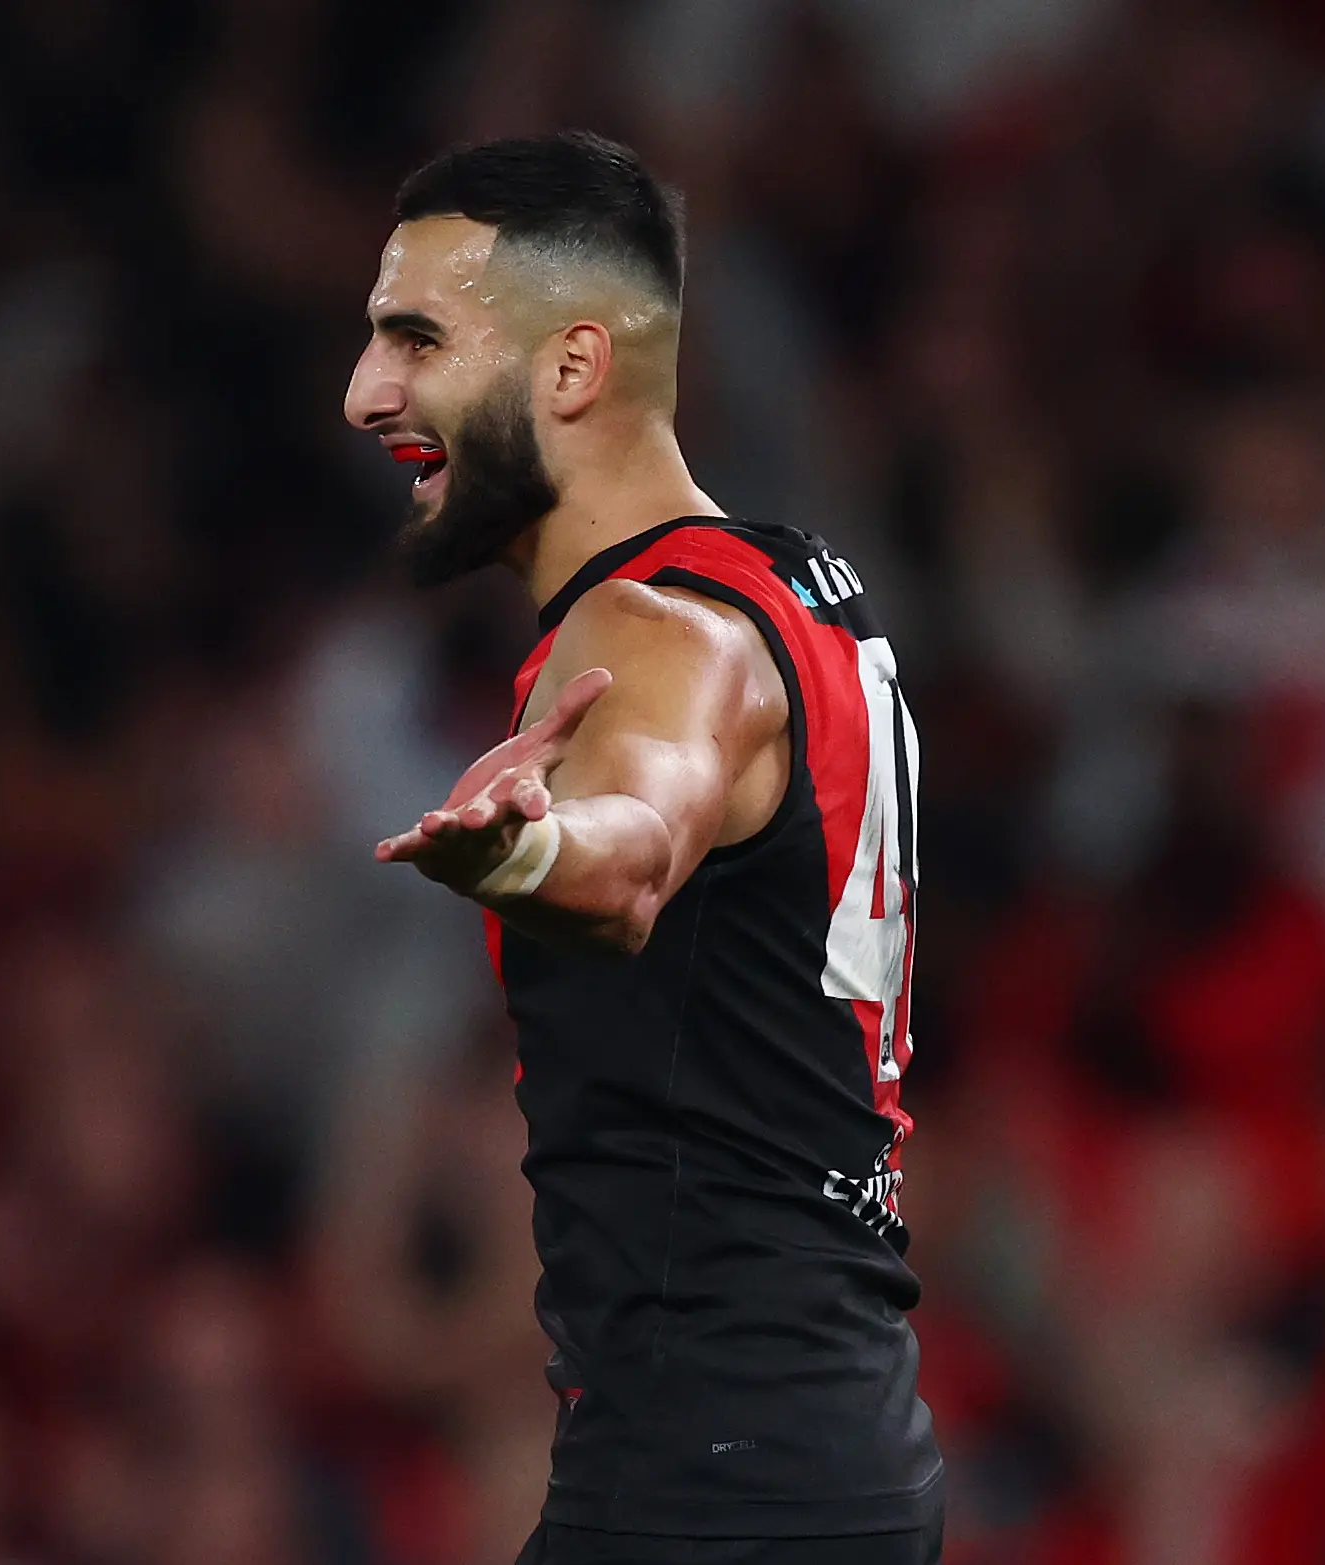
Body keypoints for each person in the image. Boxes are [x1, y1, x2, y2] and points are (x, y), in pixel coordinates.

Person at [348, 132, 944, 1564]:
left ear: (570, 368)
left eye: (417, 340)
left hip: (711, 1477)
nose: (369, 396)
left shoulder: (649, 633)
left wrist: (536, 857)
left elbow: (637, 840)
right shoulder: (805, 594)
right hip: (826, 1436)